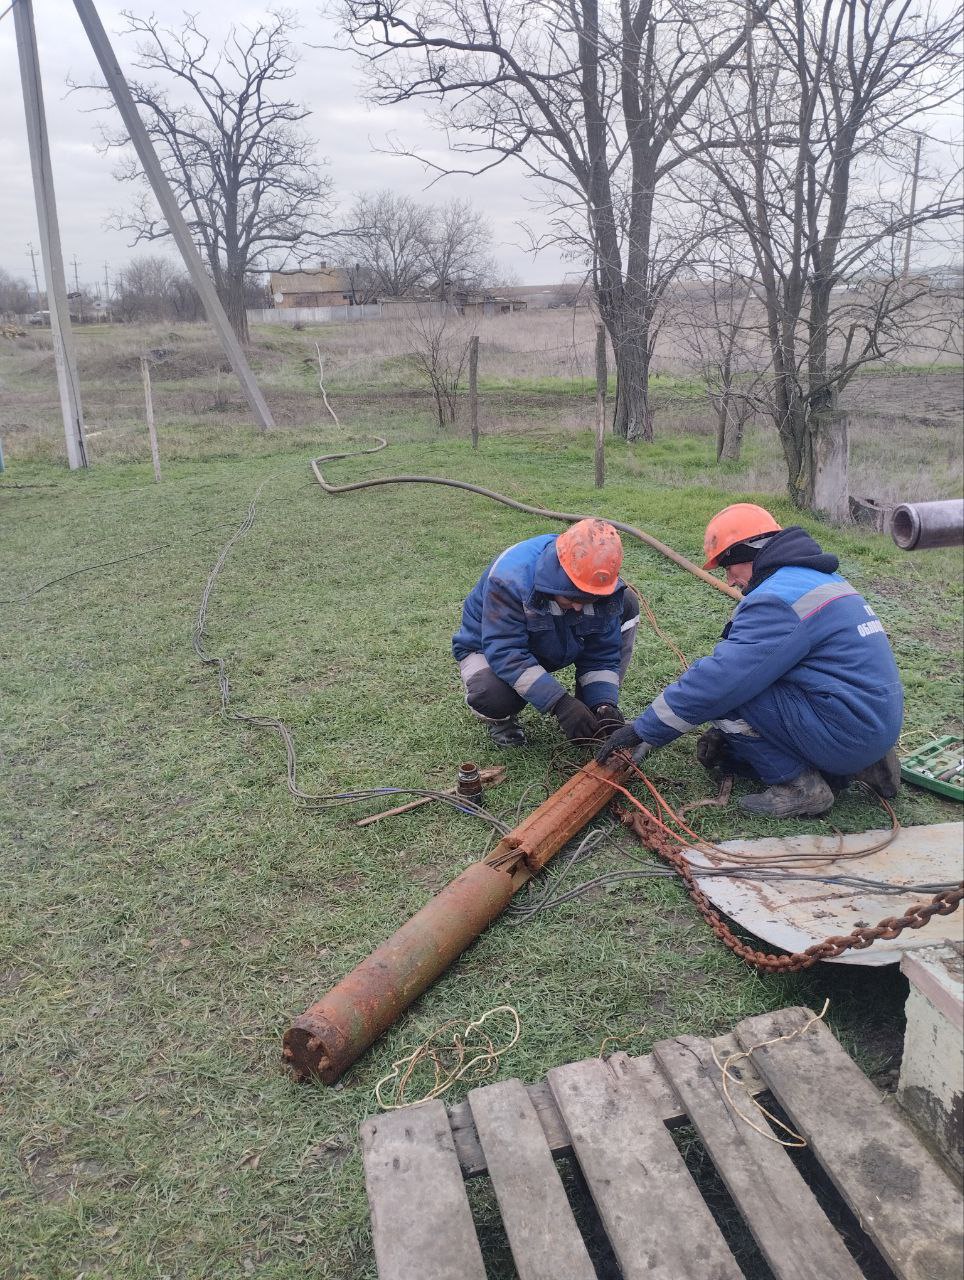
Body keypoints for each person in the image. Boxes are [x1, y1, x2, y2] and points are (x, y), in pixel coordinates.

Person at [597, 503, 904, 817]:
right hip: (877, 720)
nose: (729, 581)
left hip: (847, 732)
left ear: (748, 553)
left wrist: (642, 730)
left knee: (727, 696)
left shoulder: (775, 600)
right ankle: (869, 762)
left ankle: (799, 788)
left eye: (728, 567)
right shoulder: (817, 579)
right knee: (747, 684)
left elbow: (719, 681)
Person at [453, 518, 640, 746]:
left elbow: (602, 652)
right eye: (572, 598)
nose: (580, 606)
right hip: (488, 648)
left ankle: (591, 708)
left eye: (589, 598)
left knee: (627, 603)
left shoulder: (599, 587)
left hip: (552, 642)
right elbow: (506, 652)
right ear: (558, 578)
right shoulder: (509, 579)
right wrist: (560, 704)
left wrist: (603, 703)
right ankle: (500, 721)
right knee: (492, 693)